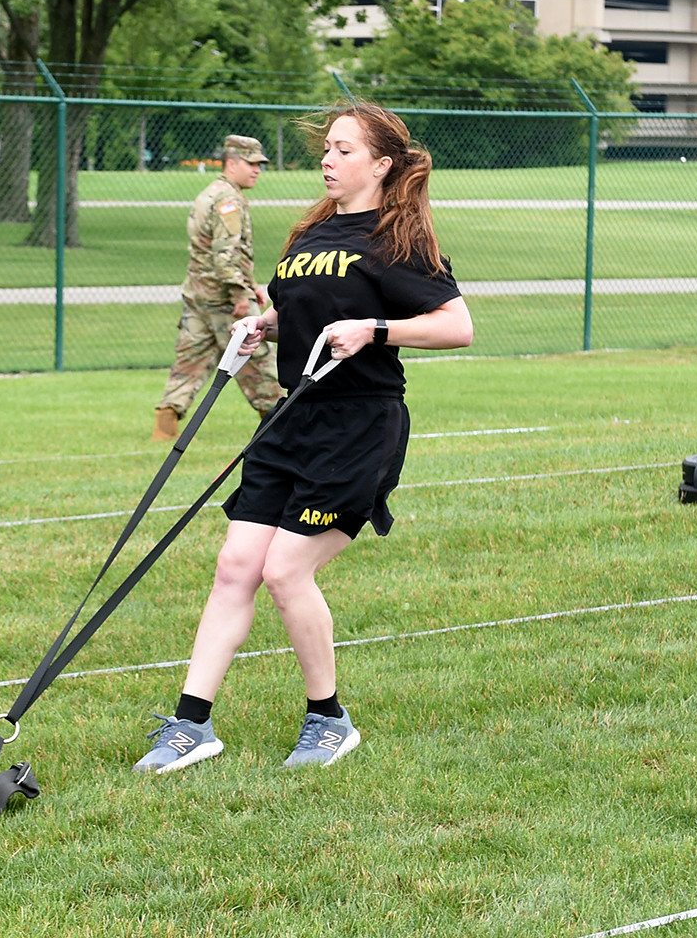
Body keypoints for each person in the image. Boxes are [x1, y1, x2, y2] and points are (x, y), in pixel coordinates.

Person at [134, 102, 473, 773]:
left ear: (381, 164)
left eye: (344, 150)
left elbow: (456, 325)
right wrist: (265, 323)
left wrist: (377, 330)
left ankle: (329, 719)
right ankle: (191, 725)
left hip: (360, 422)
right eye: (327, 149)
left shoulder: (397, 238)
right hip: (293, 418)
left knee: (286, 571)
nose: (328, 159)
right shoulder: (311, 233)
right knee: (236, 566)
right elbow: (298, 309)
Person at [152, 134, 284, 441]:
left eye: (260, 165)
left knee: (191, 357)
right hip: (224, 297)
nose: (257, 171)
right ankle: (278, 419)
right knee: (258, 356)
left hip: (198, 294)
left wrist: (251, 285)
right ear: (232, 163)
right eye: (251, 164)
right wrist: (240, 294)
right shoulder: (229, 200)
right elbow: (225, 254)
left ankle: (165, 421)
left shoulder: (209, 193)